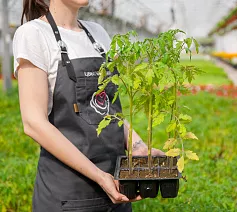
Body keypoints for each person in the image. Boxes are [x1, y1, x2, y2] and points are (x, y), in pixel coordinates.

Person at [13, 0, 164, 211]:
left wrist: (138, 147)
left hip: (117, 187)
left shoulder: (98, 33)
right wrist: (99, 177)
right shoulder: (34, 34)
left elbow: (108, 111)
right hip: (69, 194)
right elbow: (33, 123)